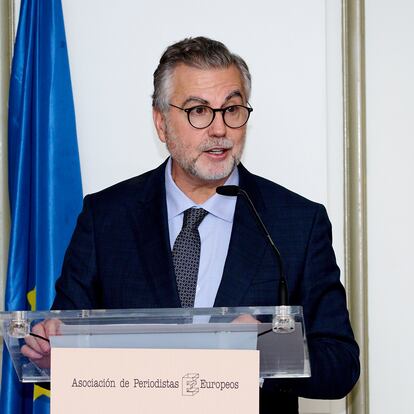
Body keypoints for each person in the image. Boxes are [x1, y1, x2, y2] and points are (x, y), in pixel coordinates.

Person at [22, 36, 359, 413]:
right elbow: (64, 342)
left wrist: (265, 350)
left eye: (231, 109)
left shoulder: (296, 222)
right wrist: (53, 354)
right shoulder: (106, 217)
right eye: (199, 111)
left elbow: (341, 365)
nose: (220, 129)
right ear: (161, 122)